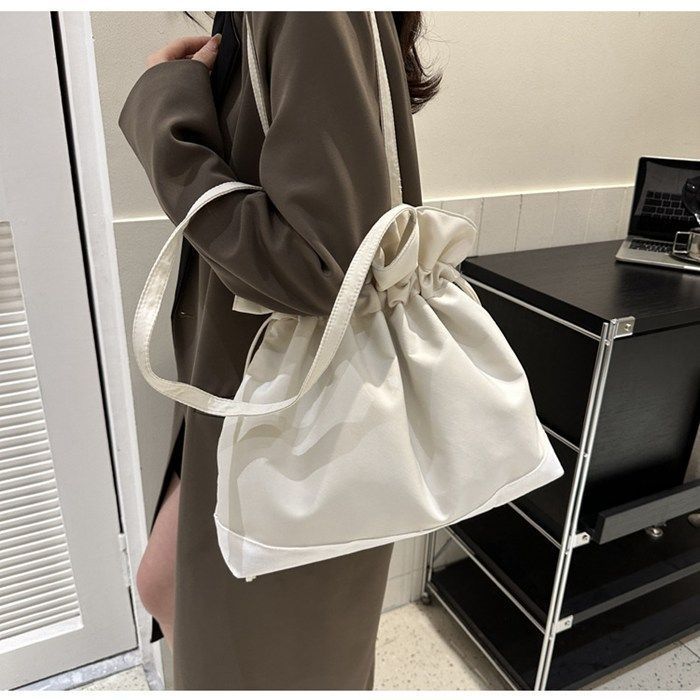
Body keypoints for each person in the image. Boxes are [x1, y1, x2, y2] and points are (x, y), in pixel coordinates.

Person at [118, 10, 440, 690]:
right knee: (168, 587)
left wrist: (164, 120)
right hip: (249, 392)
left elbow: (324, 269)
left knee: (269, 660)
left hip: (288, 407)